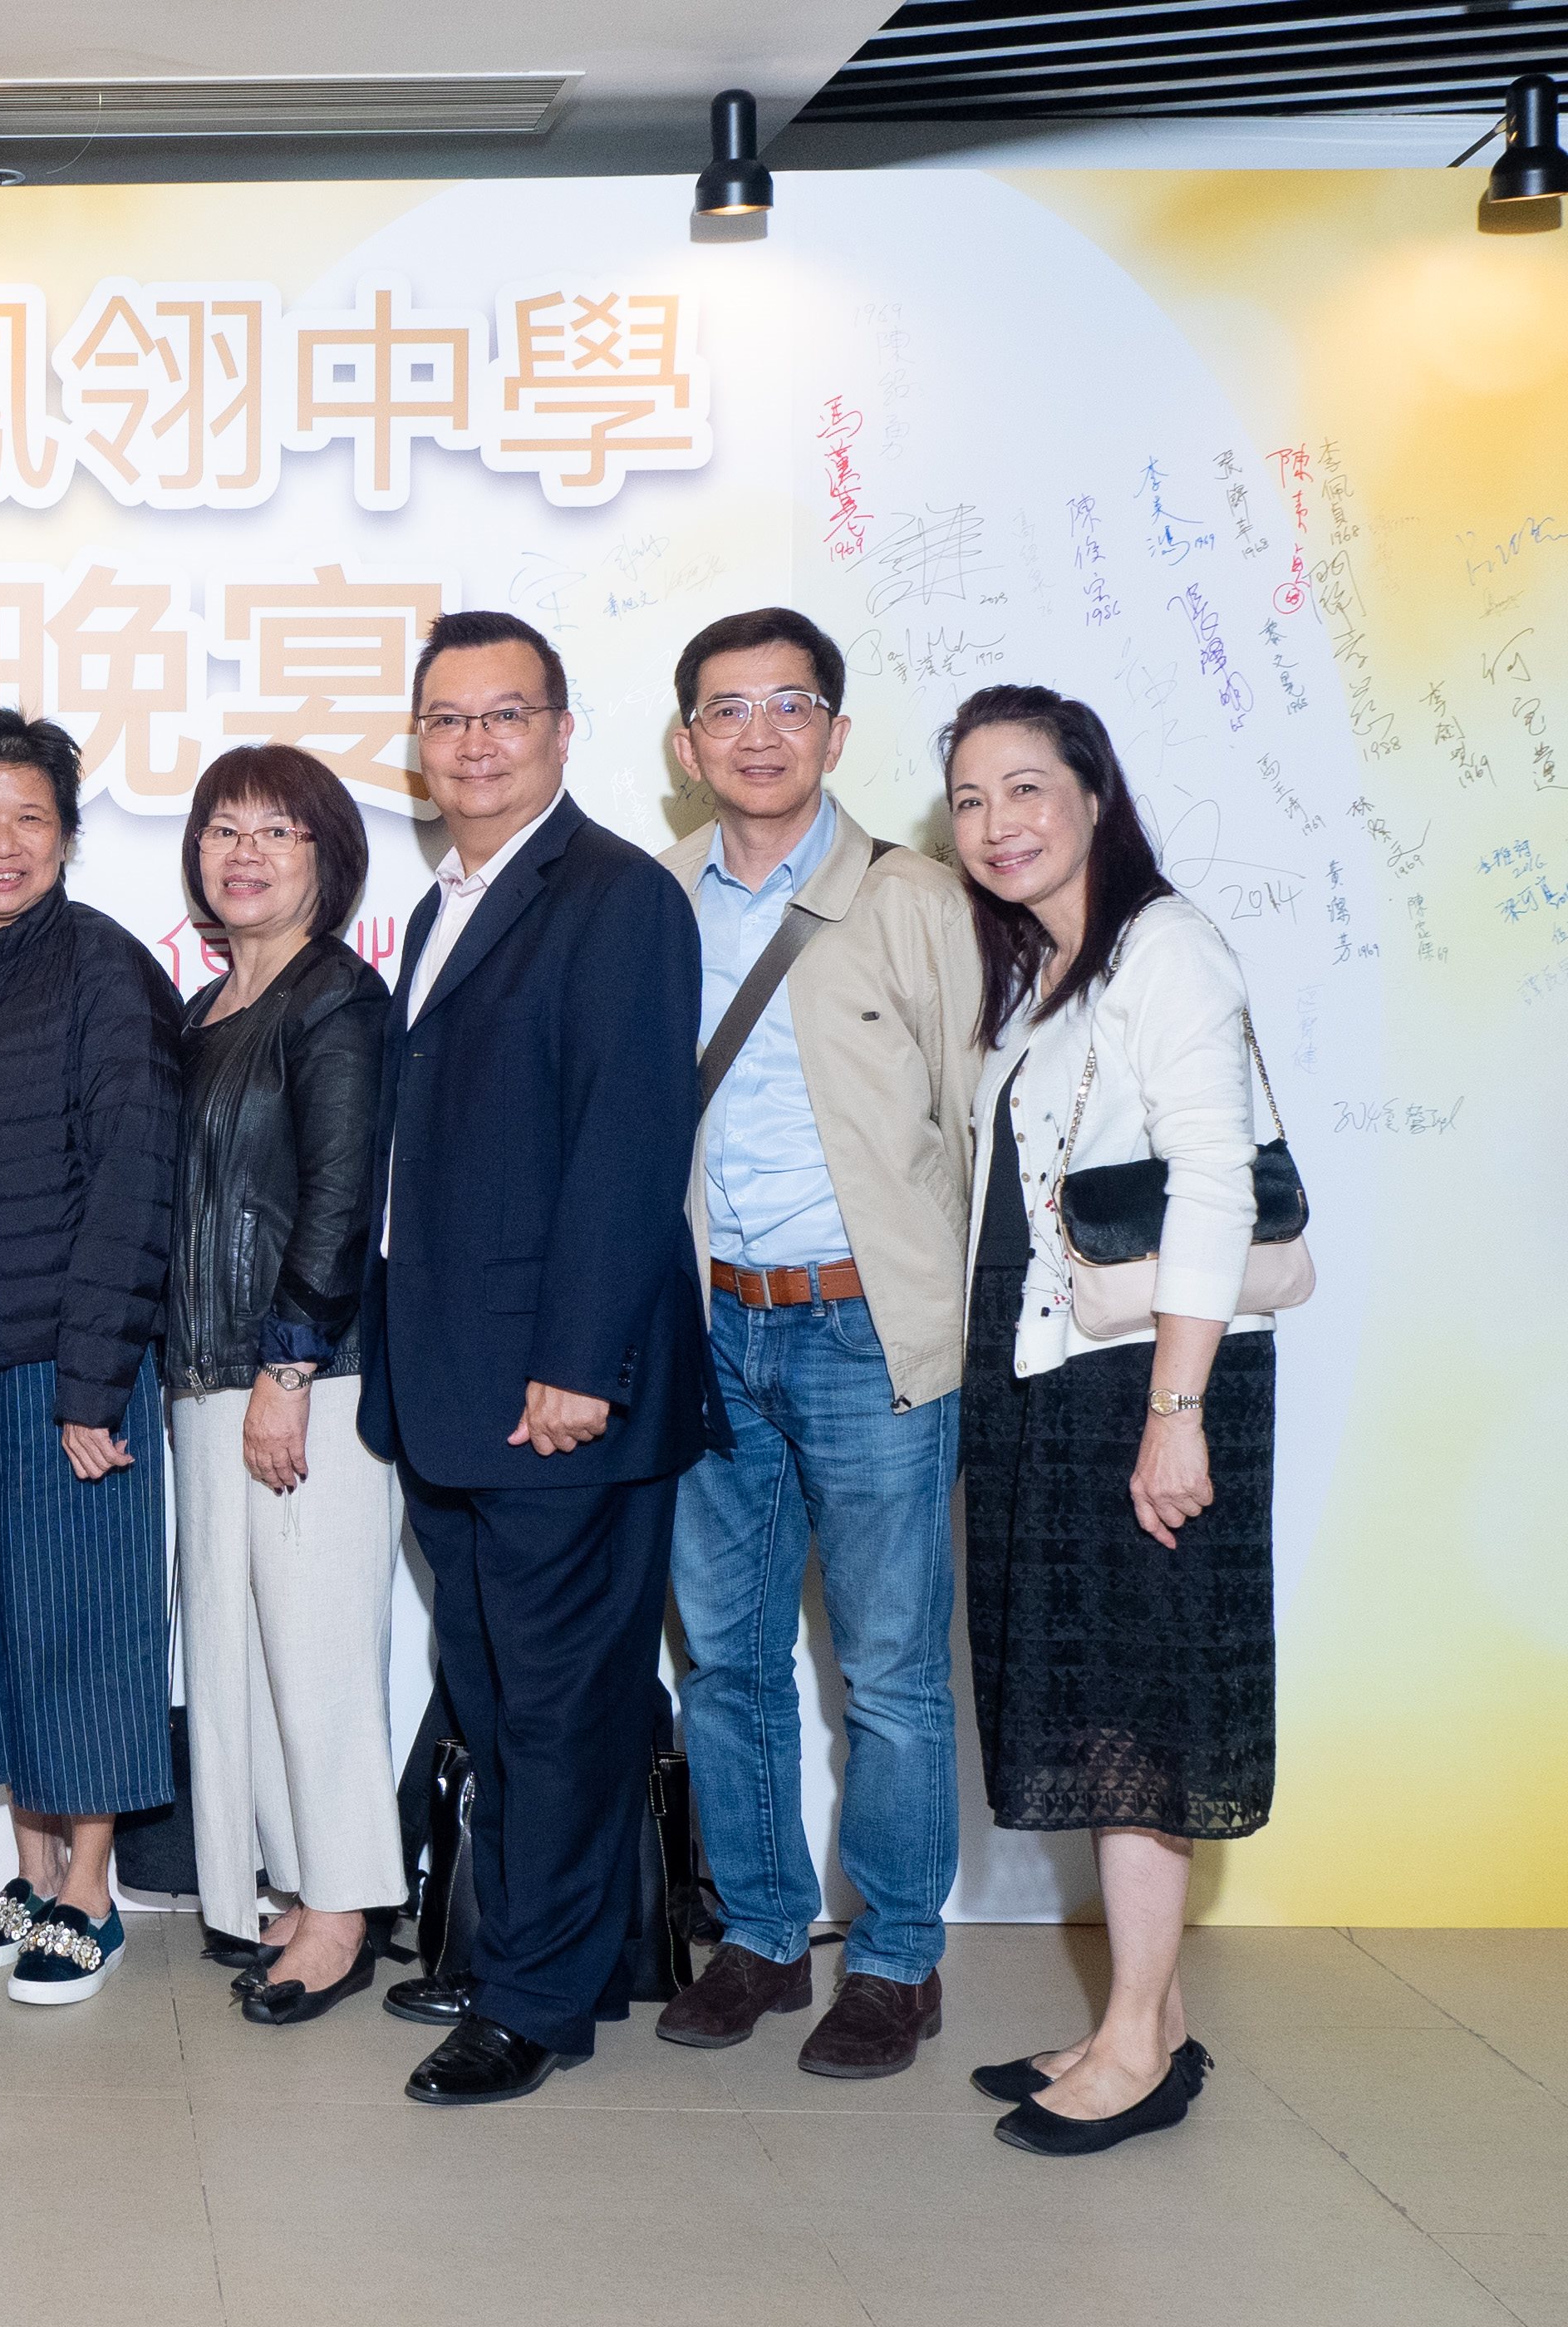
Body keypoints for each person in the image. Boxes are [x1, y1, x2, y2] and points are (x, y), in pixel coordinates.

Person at [356, 608, 717, 2104]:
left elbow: (630, 1149)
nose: (476, 744)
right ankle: (522, 1949)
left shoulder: (618, 897)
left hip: (558, 1393)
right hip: (452, 1385)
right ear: (419, 747)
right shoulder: (442, 904)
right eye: (448, 720)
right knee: (497, 1696)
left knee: (561, 1707)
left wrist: (579, 1364)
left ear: (563, 732)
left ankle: (537, 2006)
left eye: (506, 715)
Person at [945, 682, 1279, 2157]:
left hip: (1149, 1382)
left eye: (1025, 788)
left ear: (1093, 795)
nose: (997, 823)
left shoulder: (1165, 948)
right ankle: (1145, 2017)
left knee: (1145, 1710)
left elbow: (1216, 1181)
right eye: (969, 800)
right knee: (1102, 1706)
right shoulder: (1043, 972)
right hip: (1056, 1376)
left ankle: (1138, 2045)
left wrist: (1176, 1412)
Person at [651, 609, 983, 2079]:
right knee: (726, 1661)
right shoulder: (656, 898)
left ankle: (898, 1957)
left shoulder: (916, 900)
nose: (761, 733)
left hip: (867, 1331)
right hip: (710, 1323)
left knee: (893, 1672)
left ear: (838, 733)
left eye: (791, 704)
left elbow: (974, 1123)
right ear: (688, 745)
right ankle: (765, 1935)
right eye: (729, 709)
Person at [0, 708, 182, 2008]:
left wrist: (95, 1379)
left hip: (63, 1341)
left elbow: (135, 1179)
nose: (3, 844)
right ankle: (30, 1870)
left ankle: (91, 1890)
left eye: (31, 819)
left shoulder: (105, 969)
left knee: (80, 1612)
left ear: (65, 834)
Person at [159, 746, 403, 2027]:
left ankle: (346, 1908)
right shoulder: (205, 1008)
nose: (244, 853)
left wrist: (288, 1366)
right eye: (223, 828)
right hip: (204, 1375)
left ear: (328, 858)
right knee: (238, 1651)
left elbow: (340, 1198)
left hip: (310, 1377)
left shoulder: (337, 1000)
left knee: (317, 1651)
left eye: (277, 831)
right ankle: (291, 1887)